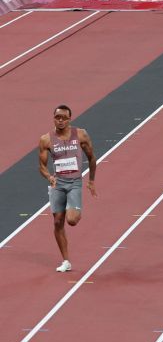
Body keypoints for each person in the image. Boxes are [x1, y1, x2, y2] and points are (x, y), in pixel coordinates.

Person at [38, 105, 98, 273]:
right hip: (58, 184)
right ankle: (66, 261)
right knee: (57, 221)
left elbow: (92, 158)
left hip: (74, 183)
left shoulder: (80, 134)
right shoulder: (46, 139)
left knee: (71, 220)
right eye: (58, 117)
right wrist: (49, 176)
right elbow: (41, 166)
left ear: (70, 118)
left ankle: (72, 206)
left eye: (64, 117)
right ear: (53, 118)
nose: (61, 120)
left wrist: (91, 181)